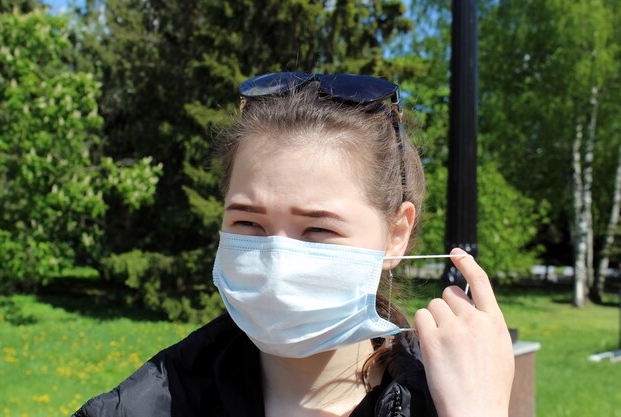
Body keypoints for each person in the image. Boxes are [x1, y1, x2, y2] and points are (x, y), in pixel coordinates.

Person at [74, 73, 514, 417]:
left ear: (396, 233)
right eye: (248, 221)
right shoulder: (146, 406)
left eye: (318, 229)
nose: (275, 264)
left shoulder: (449, 399)